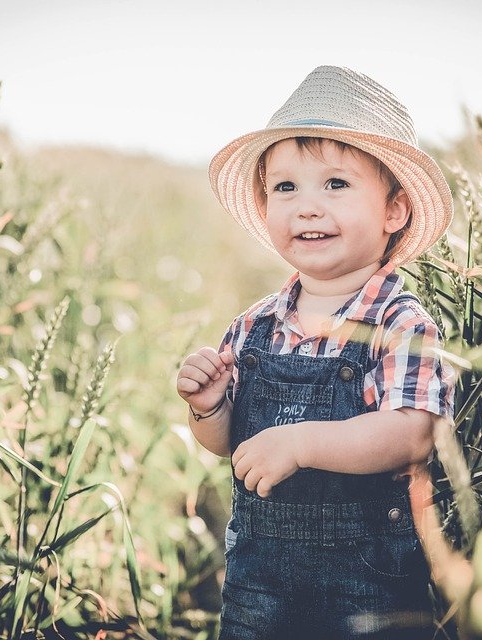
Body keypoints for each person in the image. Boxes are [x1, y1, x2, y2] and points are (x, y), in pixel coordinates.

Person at [177, 65, 457, 639]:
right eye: (285, 187)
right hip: (260, 587)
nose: (306, 206)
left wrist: (303, 443)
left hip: (368, 591)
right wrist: (209, 409)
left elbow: (413, 433)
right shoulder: (254, 326)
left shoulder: (399, 324)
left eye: (335, 184)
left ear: (393, 211)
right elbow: (233, 449)